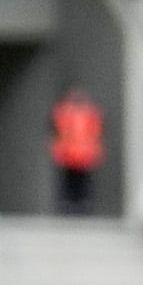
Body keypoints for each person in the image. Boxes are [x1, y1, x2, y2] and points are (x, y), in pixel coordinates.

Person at [50, 86, 106, 217]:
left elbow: (97, 133)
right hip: (69, 154)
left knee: (82, 183)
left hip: (83, 155)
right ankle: (69, 204)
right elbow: (56, 132)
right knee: (70, 182)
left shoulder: (89, 113)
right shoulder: (63, 112)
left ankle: (82, 204)